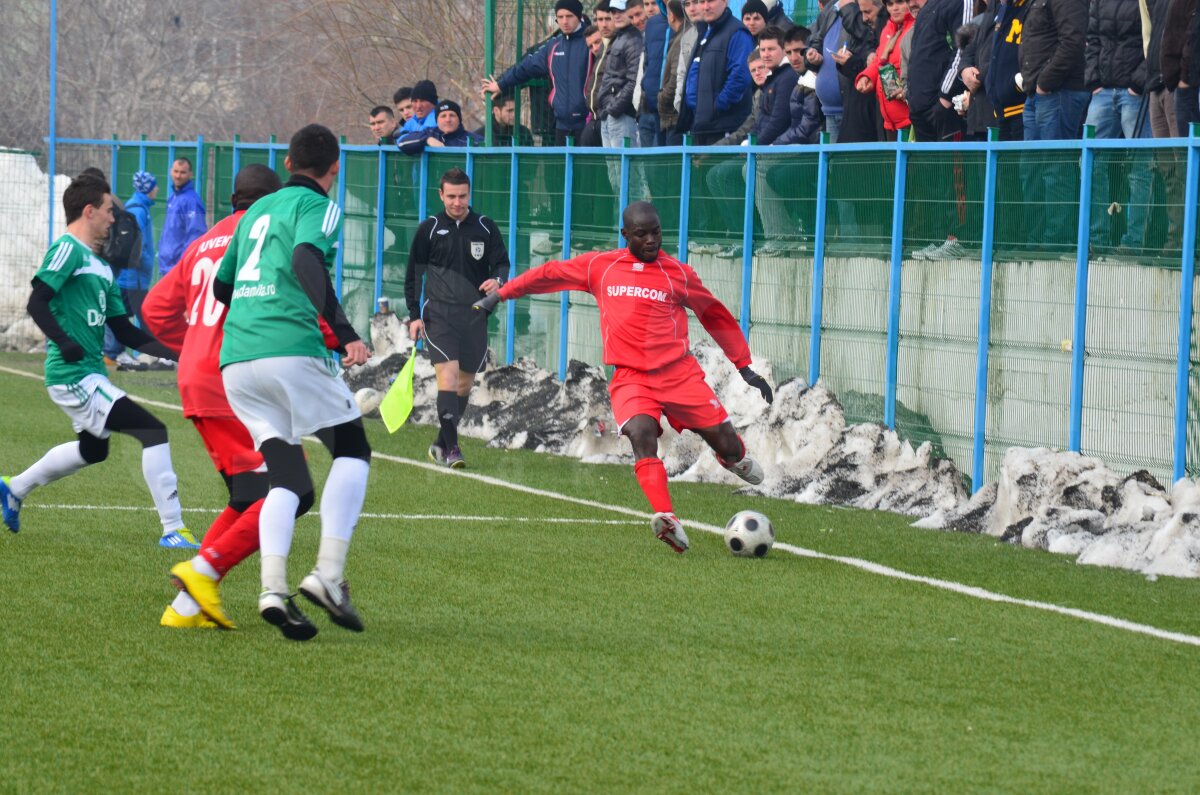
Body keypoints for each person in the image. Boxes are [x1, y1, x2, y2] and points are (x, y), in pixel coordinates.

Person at [477, 201, 772, 553]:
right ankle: (667, 517)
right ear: (625, 235)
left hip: (679, 375)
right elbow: (549, 275)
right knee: (640, 434)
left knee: (726, 443)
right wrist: (501, 294)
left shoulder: (677, 273)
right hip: (631, 377)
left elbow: (715, 316)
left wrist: (744, 366)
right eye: (642, 234)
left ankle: (733, 458)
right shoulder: (601, 266)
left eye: (656, 232)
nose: (651, 240)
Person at [213, 124, 372, 642]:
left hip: (237, 361)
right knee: (351, 447)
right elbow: (307, 259)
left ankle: (272, 590)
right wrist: (344, 331)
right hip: (287, 349)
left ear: (286, 163)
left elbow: (223, 284)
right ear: (335, 167)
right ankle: (328, 575)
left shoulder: (256, 211)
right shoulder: (319, 206)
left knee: (285, 477)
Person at [0, 173, 195, 549]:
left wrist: (181, 353)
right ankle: (174, 529)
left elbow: (126, 333)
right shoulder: (67, 250)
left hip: (87, 374)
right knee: (152, 430)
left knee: (94, 449)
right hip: (72, 374)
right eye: (108, 211)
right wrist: (63, 341)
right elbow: (36, 301)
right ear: (89, 211)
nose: (112, 219)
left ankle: (14, 488)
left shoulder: (103, 268)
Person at [141, 165, 290, 630]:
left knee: (248, 493)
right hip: (236, 377)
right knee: (287, 488)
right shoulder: (264, 235)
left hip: (198, 374)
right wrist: (335, 339)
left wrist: (193, 345)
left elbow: (153, 310)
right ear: (271, 202)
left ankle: (187, 608)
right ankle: (199, 579)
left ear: (231, 201)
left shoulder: (202, 243)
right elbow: (285, 300)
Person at [405, 168, 510, 469]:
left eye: (462, 196)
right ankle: (453, 450)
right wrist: (414, 315)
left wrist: (497, 280)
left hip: (475, 315)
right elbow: (413, 274)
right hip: (438, 314)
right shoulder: (429, 228)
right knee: (447, 379)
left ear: (469, 194)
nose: (457, 202)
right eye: (451, 196)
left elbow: (502, 263)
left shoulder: (486, 228)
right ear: (441, 195)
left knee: (464, 386)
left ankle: (441, 441)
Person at [1083, 0, 1151, 251]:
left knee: (1140, 166)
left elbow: (1154, 38)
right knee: (1091, 163)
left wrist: (1138, 83)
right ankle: (1095, 240)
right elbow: (1092, 39)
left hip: (1134, 93)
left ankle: (1133, 242)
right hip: (1102, 91)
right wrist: (1093, 80)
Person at [482, 0, 593, 145]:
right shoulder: (553, 45)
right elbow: (526, 67)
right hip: (560, 124)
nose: (565, 21)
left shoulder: (592, 42)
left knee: (588, 166)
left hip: (587, 121)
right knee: (559, 166)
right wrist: (500, 85)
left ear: (579, 17)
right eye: (560, 17)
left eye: (569, 16)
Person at [679, 0, 756, 144]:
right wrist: (696, 106)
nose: (706, 6)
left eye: (711, 1)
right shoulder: (705, 33)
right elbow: (693, 75)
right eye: (702, 2)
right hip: (701, 126)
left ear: (725, 2)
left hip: (724, 127)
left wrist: (717, 106)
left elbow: (740, 76)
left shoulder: (737, 32)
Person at [856, 0, 915, 136]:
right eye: (890, 4)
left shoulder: (916, 28)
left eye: (899, 2)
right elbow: (879, 59)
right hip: (889, 120)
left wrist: (907, 89)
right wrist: (867, 76)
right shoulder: (888, 28)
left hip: (910, 118)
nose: (894, 8)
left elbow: (922, 69)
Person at [157, 157, 207, 276]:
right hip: (166, 267)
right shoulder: (173, 198)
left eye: (183, 172)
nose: (178, 176)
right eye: (176, 171)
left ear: (190, 174)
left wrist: (182, 264)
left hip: (177, 268)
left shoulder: (192, 201)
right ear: (170, 171)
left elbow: (195, 235)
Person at [399, 100, 484, 154]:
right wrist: (427, 139)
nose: (448, 119)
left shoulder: (475, 141)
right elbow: (402, 143)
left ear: (459, 119)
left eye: (452, 115)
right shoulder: (429, 133)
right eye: (443, 116)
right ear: (437, 120)